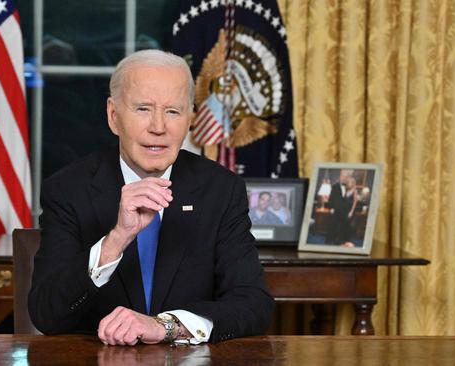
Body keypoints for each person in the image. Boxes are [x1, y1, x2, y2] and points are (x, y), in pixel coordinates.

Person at [29, 50, 273, 346]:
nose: (158, 127)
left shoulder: (221, 190)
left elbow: (253, 303)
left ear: (190, 119)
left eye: (173, 111)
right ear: (113, 116)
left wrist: (167, 326)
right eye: (143, 109)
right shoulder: (68, 190)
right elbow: (46, 314)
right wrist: (116, 239)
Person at [325, 169, 356, 245]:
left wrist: (350, 211)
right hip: (336, 211)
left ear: (348, 177)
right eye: (342, 175)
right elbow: (331, 199)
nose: (344, 178)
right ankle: (329, 241)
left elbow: (353, 201)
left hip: (344, 212)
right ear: (340, 176)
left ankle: (340, 241)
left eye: (346, 176)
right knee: (333, 227)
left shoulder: (349, 187)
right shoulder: (335, 187)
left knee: (343, 229)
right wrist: (331, 208)